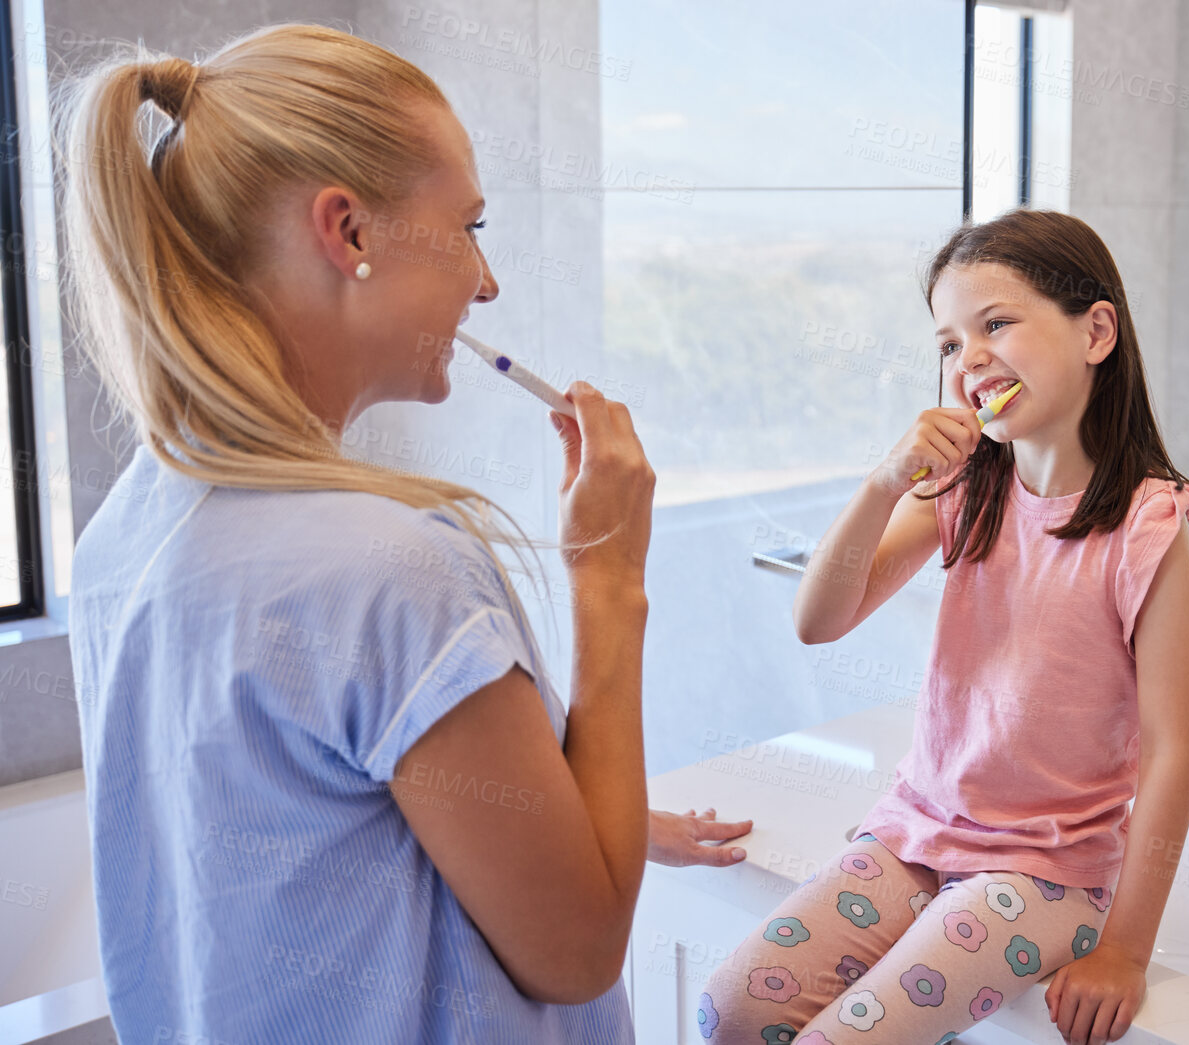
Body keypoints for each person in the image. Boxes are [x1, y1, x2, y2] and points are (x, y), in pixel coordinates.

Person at [58, 25, 746, 1044]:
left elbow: (307, 837)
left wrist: (590, 819)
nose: (487, 281)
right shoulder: (396, 568)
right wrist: (608, 580)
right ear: (349, 232)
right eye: (469, 224)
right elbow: (577, 951)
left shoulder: (126, 534)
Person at [699, 210, 1189, 1045]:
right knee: (732, 1008)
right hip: (916, 833)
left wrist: (1125, 950)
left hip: (1046, 872)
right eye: (947, 342)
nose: (967, 358)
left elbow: (1173, 754)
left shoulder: (1147, 529)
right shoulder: (965, 490)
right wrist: (883, 483)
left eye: (995, 323)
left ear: (1097, 332)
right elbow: (817, 620)